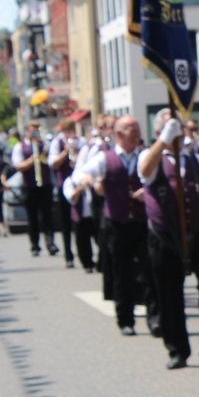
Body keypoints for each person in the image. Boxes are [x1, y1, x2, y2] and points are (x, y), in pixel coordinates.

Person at [139, 111, 199, 370]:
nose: (177, 133)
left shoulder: (196, 160)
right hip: (165, 235)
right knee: (169, 294)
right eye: (170, 128)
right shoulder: (152, 157)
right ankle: (177, 350)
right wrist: (163, 142)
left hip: (198, 233)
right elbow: (144, 171)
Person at [73, 116, 159, 337]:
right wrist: (91, 182)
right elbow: (80, 174)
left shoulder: (144, 156)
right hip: (117, 223)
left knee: (150, 270)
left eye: (138, 128)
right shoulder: (105, 158)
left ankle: (154, 317)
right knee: (122, 272)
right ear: (119, 133)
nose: (137, 132)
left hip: (142, 222)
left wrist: (147, 192)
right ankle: (125, 319)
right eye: (132, 128)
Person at [12, 121, 58, 257]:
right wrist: (34, 158)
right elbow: (19, 166)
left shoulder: (45, 144)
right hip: (29, 186)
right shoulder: (20, 146)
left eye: (37, 130)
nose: (35, 133)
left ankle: (51, 243)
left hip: (45, 185)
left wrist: (41, 149)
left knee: (47, 216)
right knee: (32, 218)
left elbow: (50, 162)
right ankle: (34, 245)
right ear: (27, 132)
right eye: (33, 131)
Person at [49, 120, 80, 269]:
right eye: (68, 130)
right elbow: (53, 164)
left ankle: (83, 253)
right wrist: (65, 152)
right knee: (66, 224)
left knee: (81, 221)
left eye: (72, 129)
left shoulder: (81, 141)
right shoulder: (57, 143)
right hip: (63, 186)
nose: (70, 133)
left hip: (78, 185)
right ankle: (68, 255)